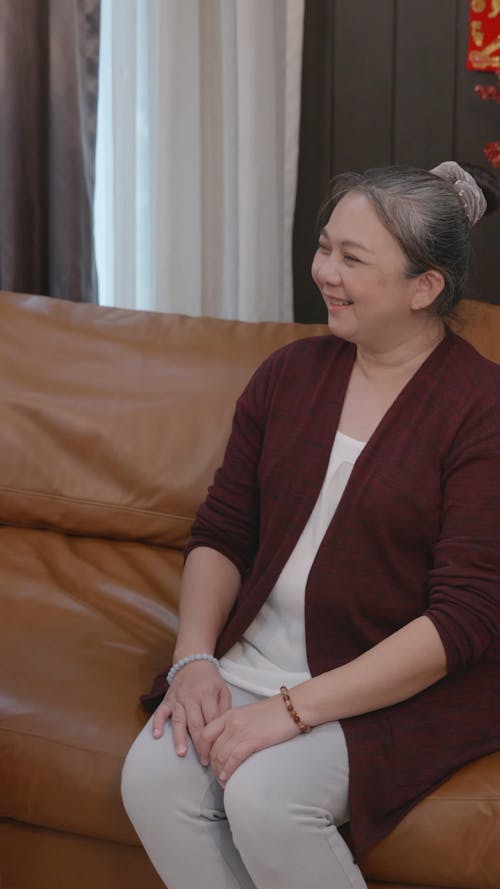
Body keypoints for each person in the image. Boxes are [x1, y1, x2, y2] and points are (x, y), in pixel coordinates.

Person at [121, 161, 500, 889]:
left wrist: (290, 713)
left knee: (267, 797)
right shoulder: (289, 373)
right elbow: (223, 530)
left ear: (425, 288)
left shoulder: (480, 407)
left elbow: (462, 619)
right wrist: (194, 657)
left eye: (352, 259)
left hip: (401, 680)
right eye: (325, 247)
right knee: (152, 778)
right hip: (259, 654)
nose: (325, 270)